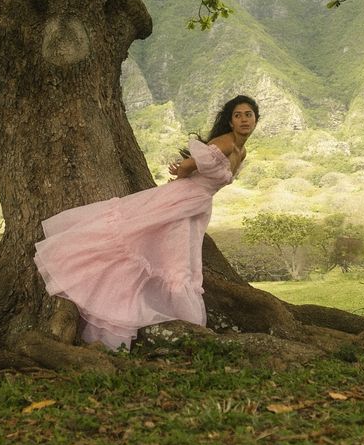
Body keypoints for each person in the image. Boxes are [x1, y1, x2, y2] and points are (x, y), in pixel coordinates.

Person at [34, 95, 259, 350]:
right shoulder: (227, 143)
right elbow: (187, 165)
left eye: (248, 115)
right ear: (230, 121)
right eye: (238, 115)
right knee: (168, 258)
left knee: (175, 258)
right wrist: (182, 182)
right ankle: (184, 324)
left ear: (255, 119)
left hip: (197, 206)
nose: (243, 120)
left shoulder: (242, 151)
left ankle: (181, 323)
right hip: (183, 201)